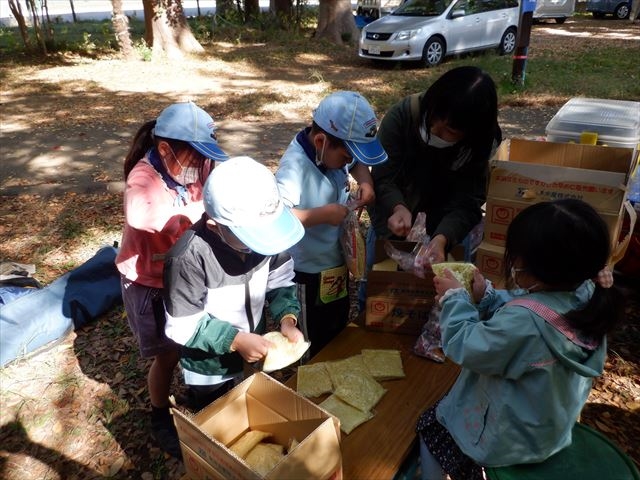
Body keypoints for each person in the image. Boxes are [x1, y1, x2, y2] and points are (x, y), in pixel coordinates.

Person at [416, 198, 625, 480]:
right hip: (546, 431)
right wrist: (485, 297)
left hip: (505, 440)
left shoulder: (525, 325)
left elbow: (467, 346)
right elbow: (527, 305)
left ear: (538, 267)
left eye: (515, 256)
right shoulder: (586, 293)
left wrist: (455, 300)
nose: (512, 261)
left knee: (430, 426)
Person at [115, 101, 229, 458]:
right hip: (148, 281)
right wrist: (193, 216)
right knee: (166, 354)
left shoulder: (202, 166)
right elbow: (141, 214)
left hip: (184, 274)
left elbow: (221, 186)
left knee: (192, 336)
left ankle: (200, 392)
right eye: (196, 158)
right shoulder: (144, 176)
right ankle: (160, 413)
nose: (202, 165)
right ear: (165, 150)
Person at [162, 156, 306, 406]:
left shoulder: (268, 239)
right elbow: (183, 325)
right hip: (208, 367)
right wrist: (235, 340)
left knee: (248, 402)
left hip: (252, 351)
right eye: (251, 237)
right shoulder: (188, 258)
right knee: (216, 413)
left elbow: (280, 281)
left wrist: (287, 318)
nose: (259, 244)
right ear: (215, 226)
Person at [275, 91, 388, 356]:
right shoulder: (294, 168)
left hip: (335, 267)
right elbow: (278, 218)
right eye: (346, 158)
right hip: (306, 273)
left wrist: (366, 183)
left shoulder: (331, 150)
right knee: (309, 341)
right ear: (321, 141)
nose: (348, 163)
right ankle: (305, 389)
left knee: (335, 331)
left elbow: (358, 161)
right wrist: (323, 215)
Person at [365, 66, 501, 283]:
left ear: (470, 134)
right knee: (377, 293)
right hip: (392, 223)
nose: (437, 131)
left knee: (443, 300)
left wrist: (442, 238)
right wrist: (397, 206)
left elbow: (469, 202)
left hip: (448, 229)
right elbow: (382, 176)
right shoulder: (404, 116)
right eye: (433, 121)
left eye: (450, 131)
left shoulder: (481, 144)